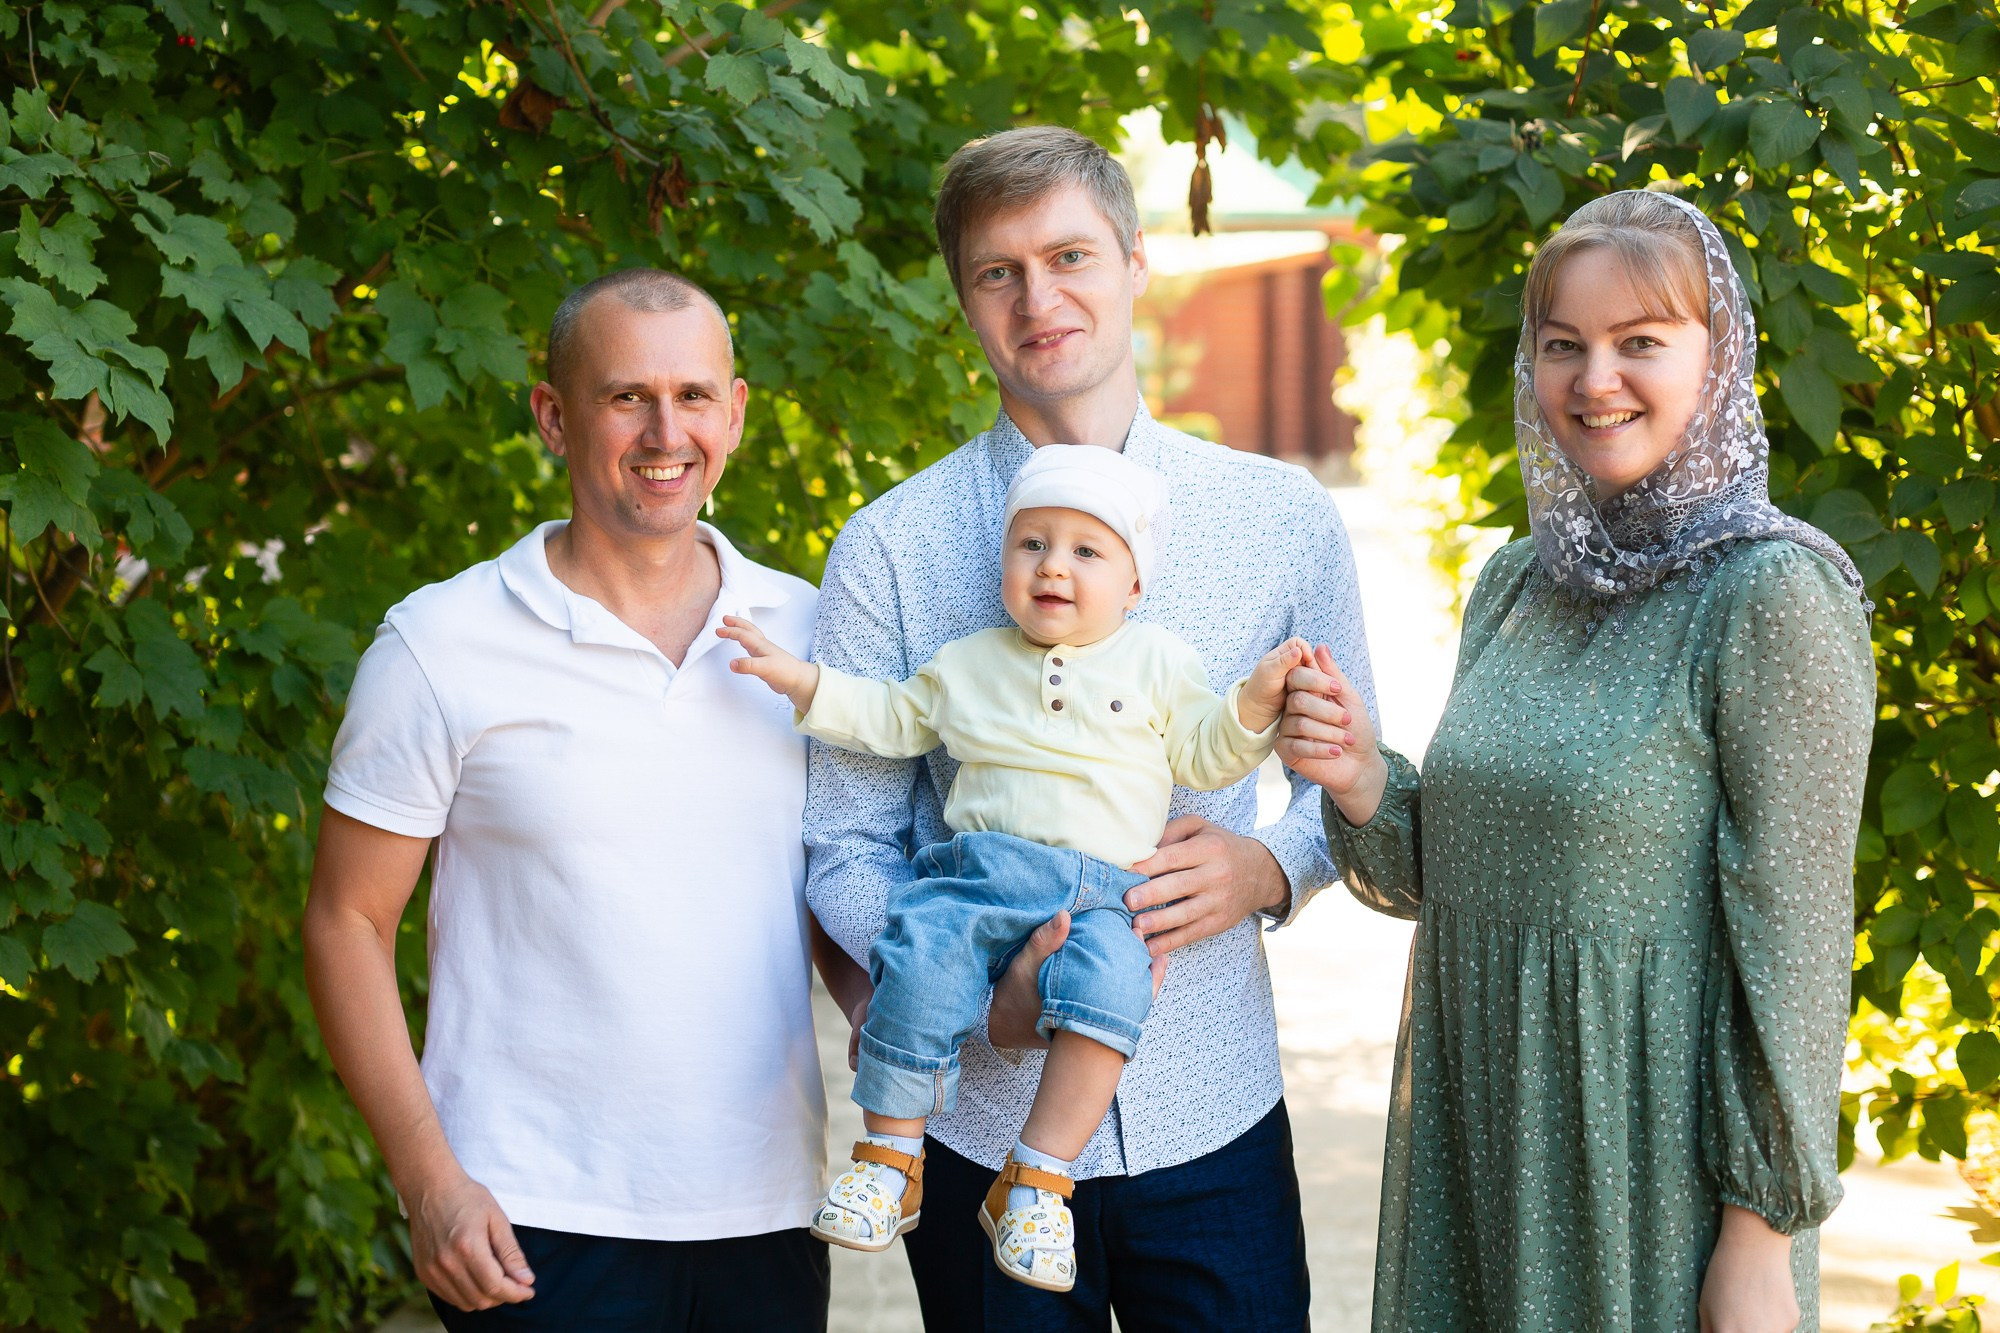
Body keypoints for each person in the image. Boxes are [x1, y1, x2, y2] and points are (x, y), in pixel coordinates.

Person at [807, 125, 1375, 1329]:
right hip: (976, 1120)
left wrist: (1270, 864)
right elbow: (845, 844)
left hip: (1212, 1104)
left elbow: (1350, 782)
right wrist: (966, 994)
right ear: (962, 300)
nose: (1037, 297)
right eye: (996, 271)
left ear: (1132, 262)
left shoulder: (1277, 518)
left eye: (1068, 255)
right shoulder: (889, 549)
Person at [1276, 190, 1874, 1332]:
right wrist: (1359, 774)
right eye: (1562, 346)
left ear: (1718, 355)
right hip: (1479, 1128)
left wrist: (1759, 1228)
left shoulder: (1769, 594)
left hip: (1644, 1168)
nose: (1593, 378)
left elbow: (1794, 943)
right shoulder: (1516, 581)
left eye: (1638, 342)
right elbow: (1461, 867)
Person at [301, 270, 867, 1329]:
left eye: (694, 395)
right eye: (625, 397)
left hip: (764, 1209)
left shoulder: (810, 637)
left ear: (735, 413)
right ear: (554, 418)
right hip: (528, 1216)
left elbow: (827, 892)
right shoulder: (439, 644)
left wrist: (899, 1012)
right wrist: (428, 1181)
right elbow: (345, 921)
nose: (666, 430)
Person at [723, 444, 1312, 1292]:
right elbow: (889, 717)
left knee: (1114, 995)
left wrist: (1255, 699)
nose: (1053, 567)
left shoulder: (1158, 662)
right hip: (976, 874)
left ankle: (1037, 1178)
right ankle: (890, 1154)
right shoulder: (967, 662)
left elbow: (1210, 750)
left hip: (1105, 892)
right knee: (918, 962)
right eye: (1031, 544)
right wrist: (801, 681)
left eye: (1086, 550)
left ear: (1134, 585)